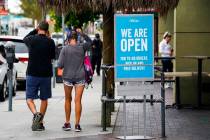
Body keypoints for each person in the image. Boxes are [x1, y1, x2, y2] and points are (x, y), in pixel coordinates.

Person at [23, 21, 55, 131]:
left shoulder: (31, 40)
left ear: (38, 28)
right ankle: (40, 122)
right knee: (44, 99)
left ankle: (36, 114)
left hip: (32, 73)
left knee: (29, 98)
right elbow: (52, 57)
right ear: (47, 30)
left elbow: (25, 38)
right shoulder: (51, 42)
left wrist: (34, 30)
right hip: (46, 74)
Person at [58, 29, 92, 132]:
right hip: (80, 78)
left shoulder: (64, 49)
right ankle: (77, 125)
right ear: (76, 39)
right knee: (78, 101)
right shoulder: (82, 47)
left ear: (68, 40)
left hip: (67, 77)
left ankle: (67, 123)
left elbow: (60, 65)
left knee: (68, 99)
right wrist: (82, 34)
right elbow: (90, 42)